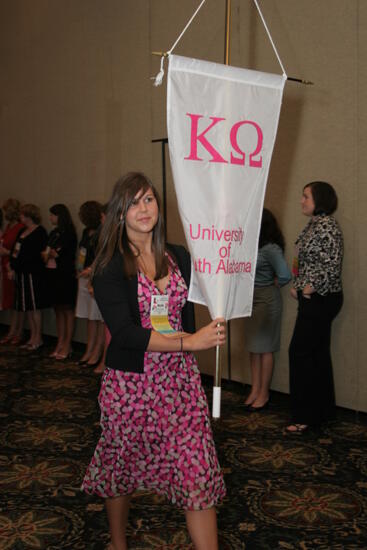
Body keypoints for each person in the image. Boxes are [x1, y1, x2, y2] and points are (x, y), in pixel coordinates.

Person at [81, 172, 226, 550]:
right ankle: (118, 542)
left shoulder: (177, 256)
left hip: (179, 384)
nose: (143, 209)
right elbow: (125, 333)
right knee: (122, 468)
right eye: (133, 202)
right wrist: (191, 342)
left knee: (197, 469)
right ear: (119, 213)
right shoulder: (110, 265)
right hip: (131, 386)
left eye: (148, 200)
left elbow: (213, 285)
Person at [286, 181, 343, 434]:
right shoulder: (314, 224)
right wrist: (299, 284)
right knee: (317, 355)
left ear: (319, 199)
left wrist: (309, 287)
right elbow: (307, 261)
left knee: (300, 354)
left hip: (321, 299)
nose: (302, 200)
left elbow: (331, 263)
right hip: (316, 298)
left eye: (306, 196)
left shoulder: (327, 225)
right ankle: (323, 412)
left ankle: (304, 416)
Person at [244, 208, 291, 411]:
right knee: (254, 348)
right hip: (250, 299)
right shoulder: (252, 246)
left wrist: (274, 283)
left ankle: (264, 393)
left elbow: (285, 275)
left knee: (265, 348)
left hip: (266, 299)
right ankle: (255, 390)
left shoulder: (271, 248)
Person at [9, 204, 48, 350]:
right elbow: (15, 250)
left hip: (33, 274)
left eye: (22, 215)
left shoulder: (39, 232)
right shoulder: (22, 231)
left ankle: (38, 337)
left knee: (35, 307)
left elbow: (36, 254)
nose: (20, 217)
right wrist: (12, 266)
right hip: (22, 273)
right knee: (28, 308)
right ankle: (32, 336)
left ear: (28, 216)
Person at [43, 204, 77, 360]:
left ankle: (67, 343)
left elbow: (57, 254)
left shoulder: (69, 233)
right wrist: (49, 254)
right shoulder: (54, 232)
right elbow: (46, 253)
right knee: (57, 310)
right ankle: (60, 341)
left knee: (67, 310)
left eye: (53, 215)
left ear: (60, 216)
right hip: (52, 275)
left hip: (65, 276)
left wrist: (50, 254)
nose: (50, 218)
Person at [75, 200, 105, 366]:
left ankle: (97, 353)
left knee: (98, 317)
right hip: (83, 276)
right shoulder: (86, 232)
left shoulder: (102, 233)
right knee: (89, 317)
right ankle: (90, 350)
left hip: (96, 277)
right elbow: (82, 253)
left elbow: (101, 257)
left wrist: (90, 271)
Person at [0, 199, 25, 344]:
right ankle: (12, 329)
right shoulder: (9, 226)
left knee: (17, 301)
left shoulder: (19, 228)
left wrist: (6, 252)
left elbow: (18, 250)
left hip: (12, 265)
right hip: (5, 266)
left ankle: (18, 331)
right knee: (10, 300)